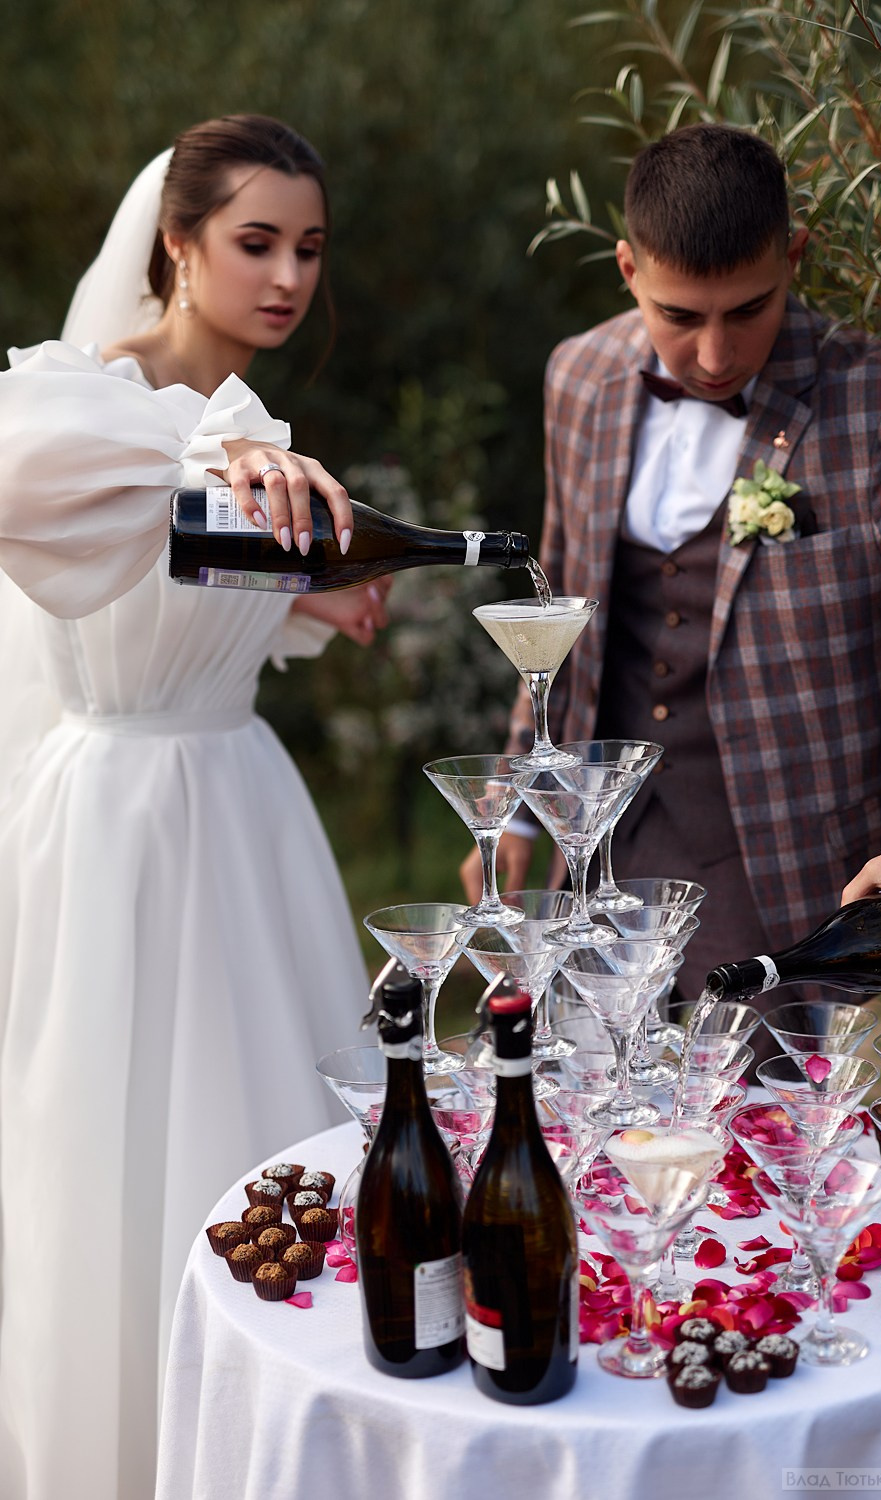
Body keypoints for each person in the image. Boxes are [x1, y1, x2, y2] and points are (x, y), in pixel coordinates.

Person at [0, 116, 389, 1500]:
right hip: (114, 820)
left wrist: (308, 601)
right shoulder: (79, 393)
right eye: (255, 242)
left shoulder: (256, 434)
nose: (287, 277)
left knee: (267, 1124)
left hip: (244, 815)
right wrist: (203, 461)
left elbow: (192, 590)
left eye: (310, 249)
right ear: (176, 242)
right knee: (104, 1152)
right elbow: (29, 483)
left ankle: (277, 1446)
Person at [462, 122, 881, 1006]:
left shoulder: (878, 402)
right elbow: (555, 610)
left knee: (772, 1096)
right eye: (680, 316)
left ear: (795, 257)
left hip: (795, 873)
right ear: (629, 270)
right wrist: (519, 803)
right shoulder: (578, 378)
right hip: (600, 856)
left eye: (748, 310)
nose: (714, 356)